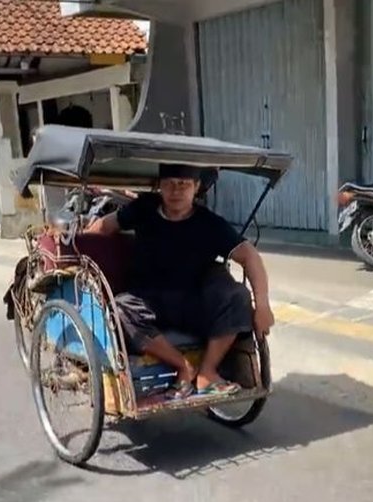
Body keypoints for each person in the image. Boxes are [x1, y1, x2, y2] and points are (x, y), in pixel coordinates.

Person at [87, 164, 275, 399]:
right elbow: (102, 227)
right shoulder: (143, 209)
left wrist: (263, 305)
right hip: (148, 299)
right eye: (169, 184)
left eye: (183, 185)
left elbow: (249, 256)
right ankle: (183, 366)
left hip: (193, 302)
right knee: (119, 308)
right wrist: (78, 245)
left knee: (238, 297)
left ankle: (207, 372)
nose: (176, 191)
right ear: (160, 187)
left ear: (196, 188)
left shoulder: (209, 223)